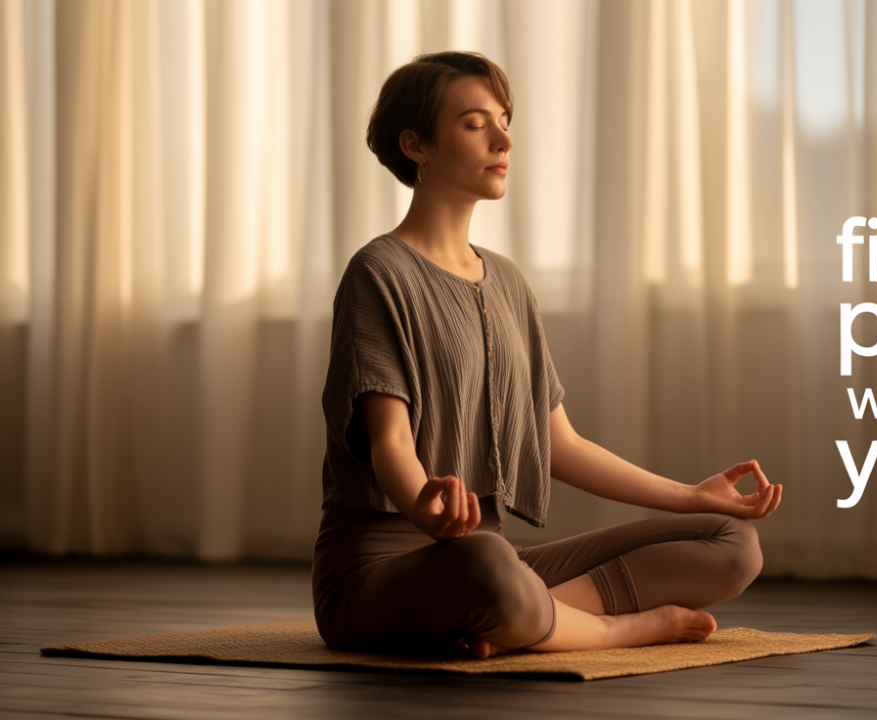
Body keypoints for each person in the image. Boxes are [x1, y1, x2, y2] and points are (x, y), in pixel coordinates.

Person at [312, 51, 782, 660]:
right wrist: (425, 508)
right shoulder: (378, 272)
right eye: (476, 123)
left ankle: (516, 620)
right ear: (417, 144)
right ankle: (615, 630)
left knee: (732, 542)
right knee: (483, 559)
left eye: (505, 120)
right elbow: (391, 442)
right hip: (378, 572)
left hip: (490, 559)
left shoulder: (507, 281)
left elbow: (560, 443)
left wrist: (693, 497)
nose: (504, 138)